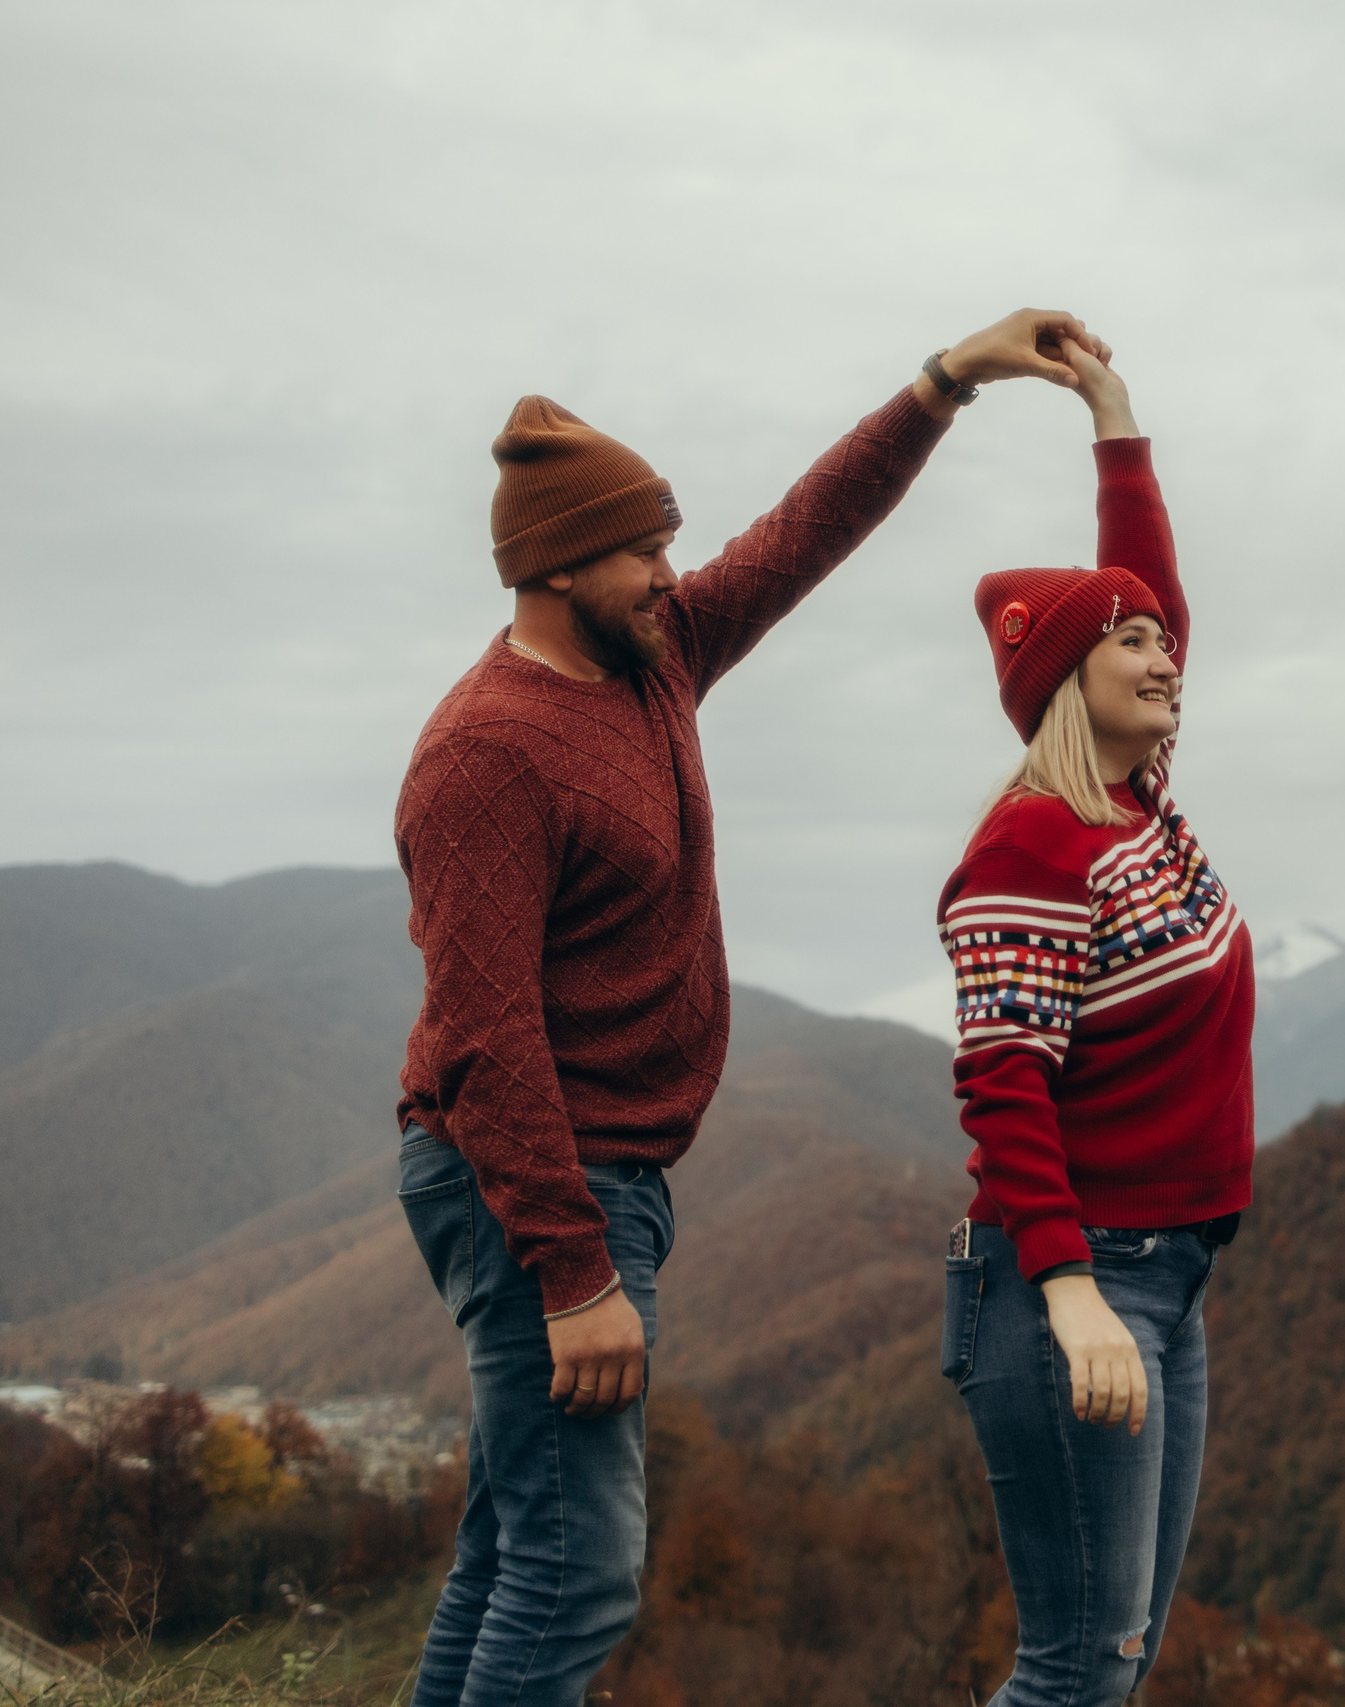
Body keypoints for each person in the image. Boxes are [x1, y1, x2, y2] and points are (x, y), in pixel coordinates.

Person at [391, 308, 1100, 1707]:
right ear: (554, 564)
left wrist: (945, 381)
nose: (671, 571)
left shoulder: (650, 662)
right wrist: (574, 1270)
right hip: (534, 1189)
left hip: (602, 1179)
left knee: (510, 1554)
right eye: (643, 549)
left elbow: (797, 538)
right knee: (577, 1573)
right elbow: (483, 1038)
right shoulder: (484, 757)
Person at [937, 337, 1255, 1707]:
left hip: (1164, 1282)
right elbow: (1003, 1084)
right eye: (1126, 641)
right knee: (1073, 1671)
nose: (1161, 649)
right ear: (1073, 681)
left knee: (1115, 1667)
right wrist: (1071, 1297)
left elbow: (1156, 586)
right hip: (1079, 1286)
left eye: (1158, 635)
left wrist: (1115, 423)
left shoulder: (1140, 803)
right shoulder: (1032, 849)